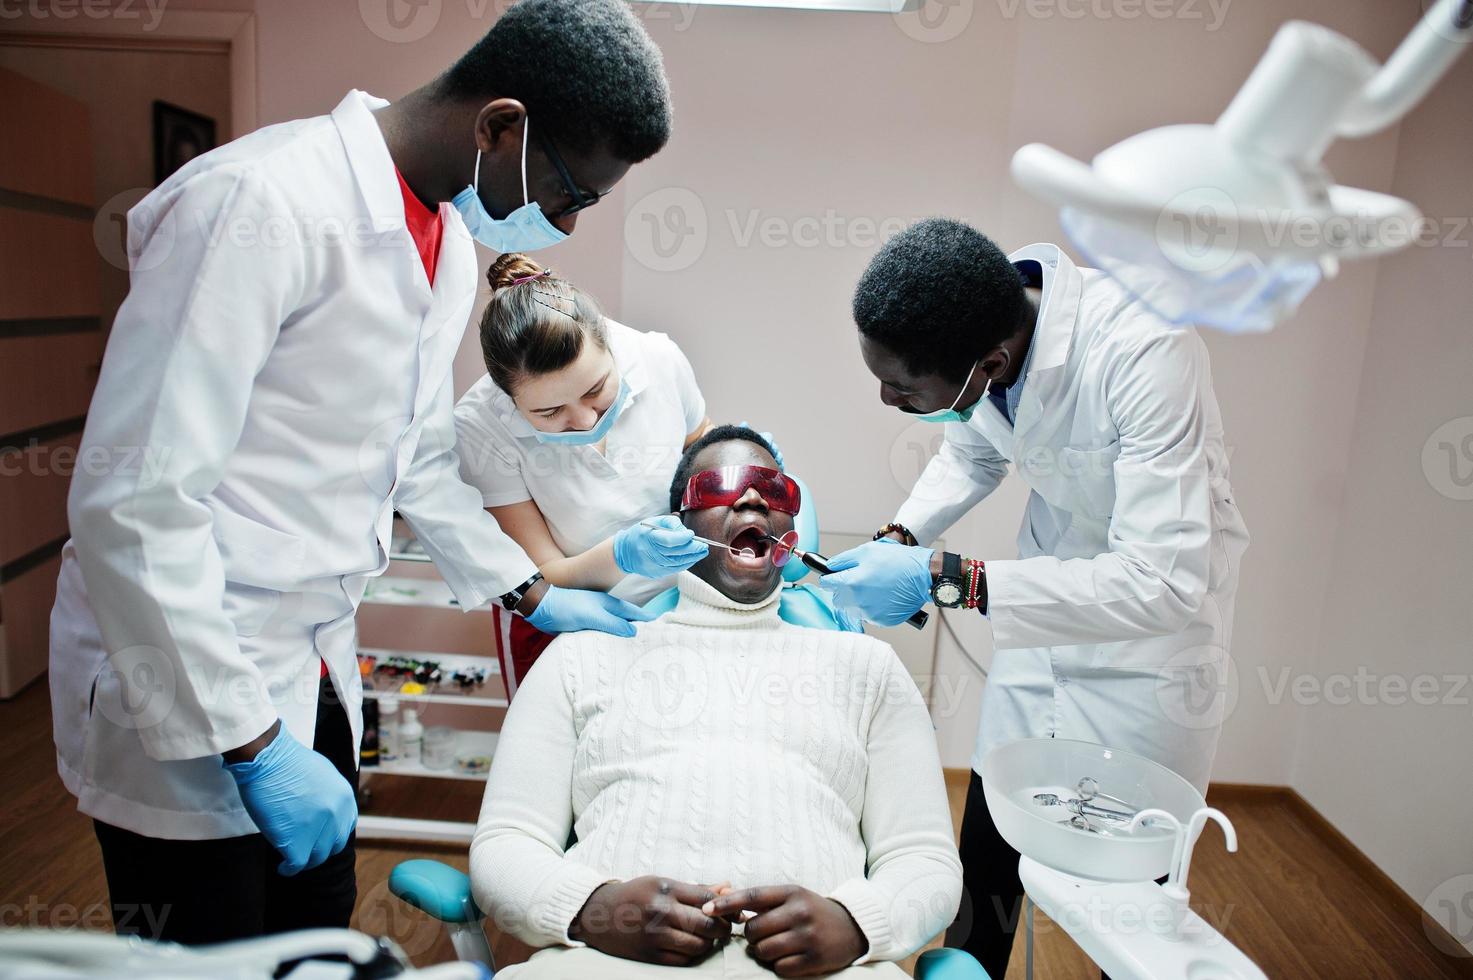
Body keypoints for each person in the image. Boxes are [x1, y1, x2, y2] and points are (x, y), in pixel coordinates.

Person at [48, 0, 671, 945]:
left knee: (318, 943)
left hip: (312, 666)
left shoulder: (443, 245)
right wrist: (252, 745)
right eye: (570, 194)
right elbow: (133, 500)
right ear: (501, 127)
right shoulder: (258, 204)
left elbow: (416, 456)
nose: (567, 226)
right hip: (185, 677)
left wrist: (530, 590)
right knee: (211, 955)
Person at [820, 219, 1250, 978]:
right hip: (1043, 625)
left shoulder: (1146, 351)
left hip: (1148, 656)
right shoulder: (987, 326)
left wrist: (944, 579)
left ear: (989, 361)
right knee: (987, 852)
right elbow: (976, 447)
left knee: (1126, 901)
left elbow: (1160, 582)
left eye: (900, 387)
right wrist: (899, 536)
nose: (885, 398)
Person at [469, 426, 962, 978]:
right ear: (677, 525)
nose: (753, 498)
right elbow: (505, 845)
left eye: (775, 490)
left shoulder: (868, 669)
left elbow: (926, 861)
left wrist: (855, 923)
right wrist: (594, 910)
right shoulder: (580, 658)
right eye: (721, 487)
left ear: (791, 530)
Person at [454, 252, 725, 696]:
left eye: (596, 390)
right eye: (549, 411)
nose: (583, 420)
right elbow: (541, 573)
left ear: (607, 345)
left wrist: (736, 464)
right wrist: (620, 556)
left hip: (683, 606)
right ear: (508, 400)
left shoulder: (658, 358)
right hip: (564, 621)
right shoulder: (480, 426)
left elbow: (700, 441)